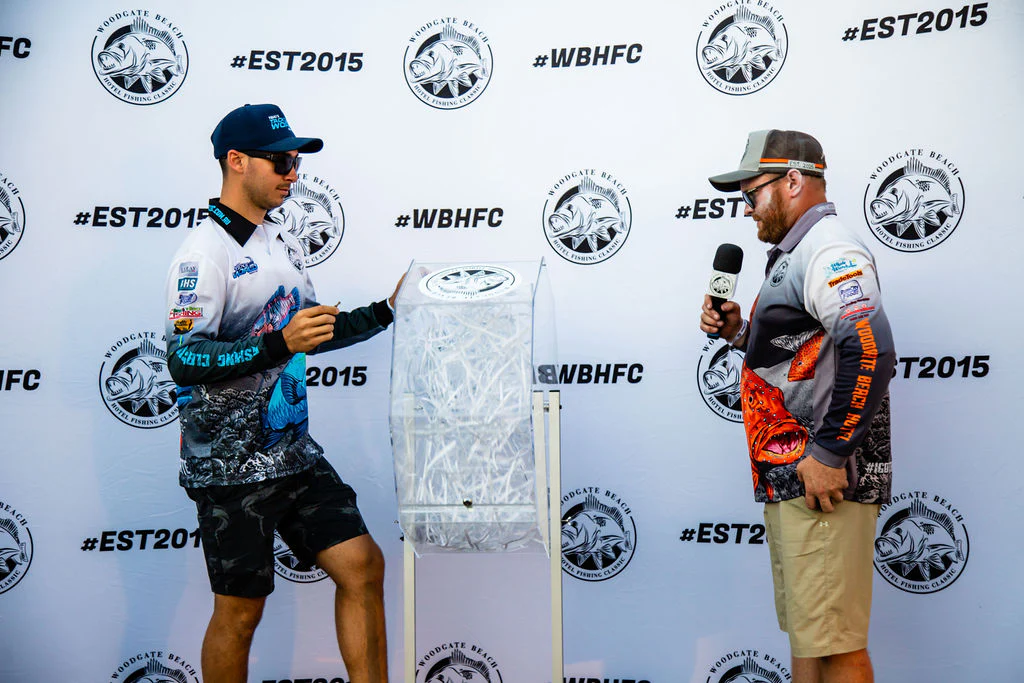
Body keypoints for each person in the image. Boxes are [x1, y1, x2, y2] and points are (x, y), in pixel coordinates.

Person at [164, 103, 400, 683]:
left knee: (362, 566)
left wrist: (388, 311)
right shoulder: (203, 253)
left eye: (296, 161)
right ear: (236, 161)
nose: (293, 173)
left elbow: (308, 332)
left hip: (291, 451)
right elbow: (183, 360)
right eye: (280, 161)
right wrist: (277, 343)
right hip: (229, 467)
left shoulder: (279, 238)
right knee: (241, 614)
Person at [699, 130, 896, 683]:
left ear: (792, 181)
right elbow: (807, 354)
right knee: (812, 640)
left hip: (823, 481)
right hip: (797, 478)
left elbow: (870, 348)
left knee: (836, 648)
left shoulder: (829, 249)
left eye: (752, 193)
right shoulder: (797, 253)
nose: (746, 208)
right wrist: (741, 335)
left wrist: (830, 454)